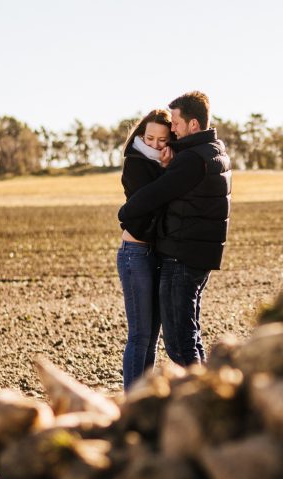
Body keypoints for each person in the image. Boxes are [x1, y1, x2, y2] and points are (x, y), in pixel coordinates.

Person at [117, 91, 231, 368]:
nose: (174, 129)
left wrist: (125, 213)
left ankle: (201, 400)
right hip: (196, 257)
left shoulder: (192, 159)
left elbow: (158, 193)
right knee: (188, 336)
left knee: (180, 344)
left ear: (193, 125)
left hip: (181, 257)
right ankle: (206, 391)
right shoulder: (215, 151)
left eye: (176, 124)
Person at [116, 108, 174, 389]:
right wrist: (166, 170)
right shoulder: (136, 163)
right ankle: (131, 401)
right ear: (141, 134)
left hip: (155, 254)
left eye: (161, 140)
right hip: (135, 253)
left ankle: (141, 397)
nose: (154, 144)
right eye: (149, 137)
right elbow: (151, 201)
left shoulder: (165, 164)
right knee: (139, 335)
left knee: (152, 336)